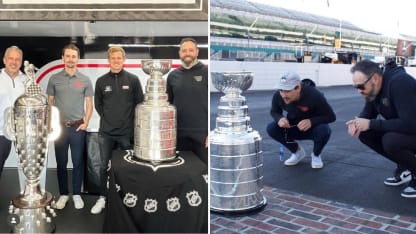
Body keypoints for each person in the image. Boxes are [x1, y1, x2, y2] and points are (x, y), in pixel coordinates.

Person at [346, 60, 416, 198]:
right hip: (409, 130)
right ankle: (405, 167)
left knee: (391, 141)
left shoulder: (400, 83)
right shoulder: (373, 90)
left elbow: (411, 123)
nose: (359, 91)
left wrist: (371, 124)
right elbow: (367, 113)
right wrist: (356, 123)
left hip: (412, 126)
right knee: (365, 133)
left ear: (376, 79)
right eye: (356, 87)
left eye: (361, 86)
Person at [92, 46, 144, 214]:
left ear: (124, 59)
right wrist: (109, 120)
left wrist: (128, 124)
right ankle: (103, 197)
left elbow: (139, 104)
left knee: (128, 166)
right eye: (113, 58)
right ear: (109, 60)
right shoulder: (101, 81)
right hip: (106, 133)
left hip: (126, 133)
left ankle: (129, 197)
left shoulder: (133, 79)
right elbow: (98, 106)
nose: (116, 61)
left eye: (119, 58)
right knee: (103, 167)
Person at [46, 44, 93, 210]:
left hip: (77, 128)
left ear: (78, 59)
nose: (71, 59)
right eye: (68, 56)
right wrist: (51, 123)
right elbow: (49, 103)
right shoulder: (54, 79)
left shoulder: (85, 80)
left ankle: (77, 195)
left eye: (74, 56)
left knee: (78, 162)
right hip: (59, 128)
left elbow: (89, 105)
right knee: (61, 162)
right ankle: (64, 194)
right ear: (63, 58)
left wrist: (86, 123)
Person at [266, 72, 336, 168]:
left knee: (324, 130)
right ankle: (297, 152)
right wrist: (280, 119)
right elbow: (274, 112)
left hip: (314, 129)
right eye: (281, 90)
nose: (283, 95)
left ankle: (316, 154)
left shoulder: (315, 95)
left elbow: (331, 116)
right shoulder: (278, 95)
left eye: (287, 91)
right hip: (293, 126)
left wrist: (311, 121)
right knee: (272, 128)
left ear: (298, 88)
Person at [166, 37, 208, 165]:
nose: (187, 53)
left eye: (191, 50)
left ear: (197, 52)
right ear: (179, 53)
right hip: (179, 134)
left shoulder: (206, 72)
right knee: (182, 172)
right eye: (184, 51)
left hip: (202, 135)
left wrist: (210, 132)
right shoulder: (172, 76)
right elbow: (169, 106)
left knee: (204, 172)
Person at [0, 46, 27, 179]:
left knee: (27, 166)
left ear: (21, 62)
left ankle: (27, 195)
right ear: (4, 60)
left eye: (17, 59)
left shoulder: (27, 80)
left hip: (23, 132)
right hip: (0, 132)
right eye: (11, 58)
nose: (14, 62)